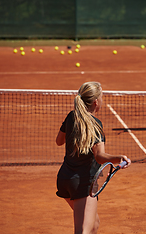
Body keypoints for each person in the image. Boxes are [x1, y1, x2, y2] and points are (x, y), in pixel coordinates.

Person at [55, 81, 131, 234]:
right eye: (102, 97)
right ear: (96, 102)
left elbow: (59, 141)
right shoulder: (95, 125)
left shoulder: (71, 116)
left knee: (94, 224)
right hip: (83, 184)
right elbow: (99, 156)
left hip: (65, 179)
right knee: (83, 231)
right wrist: (119, 158)